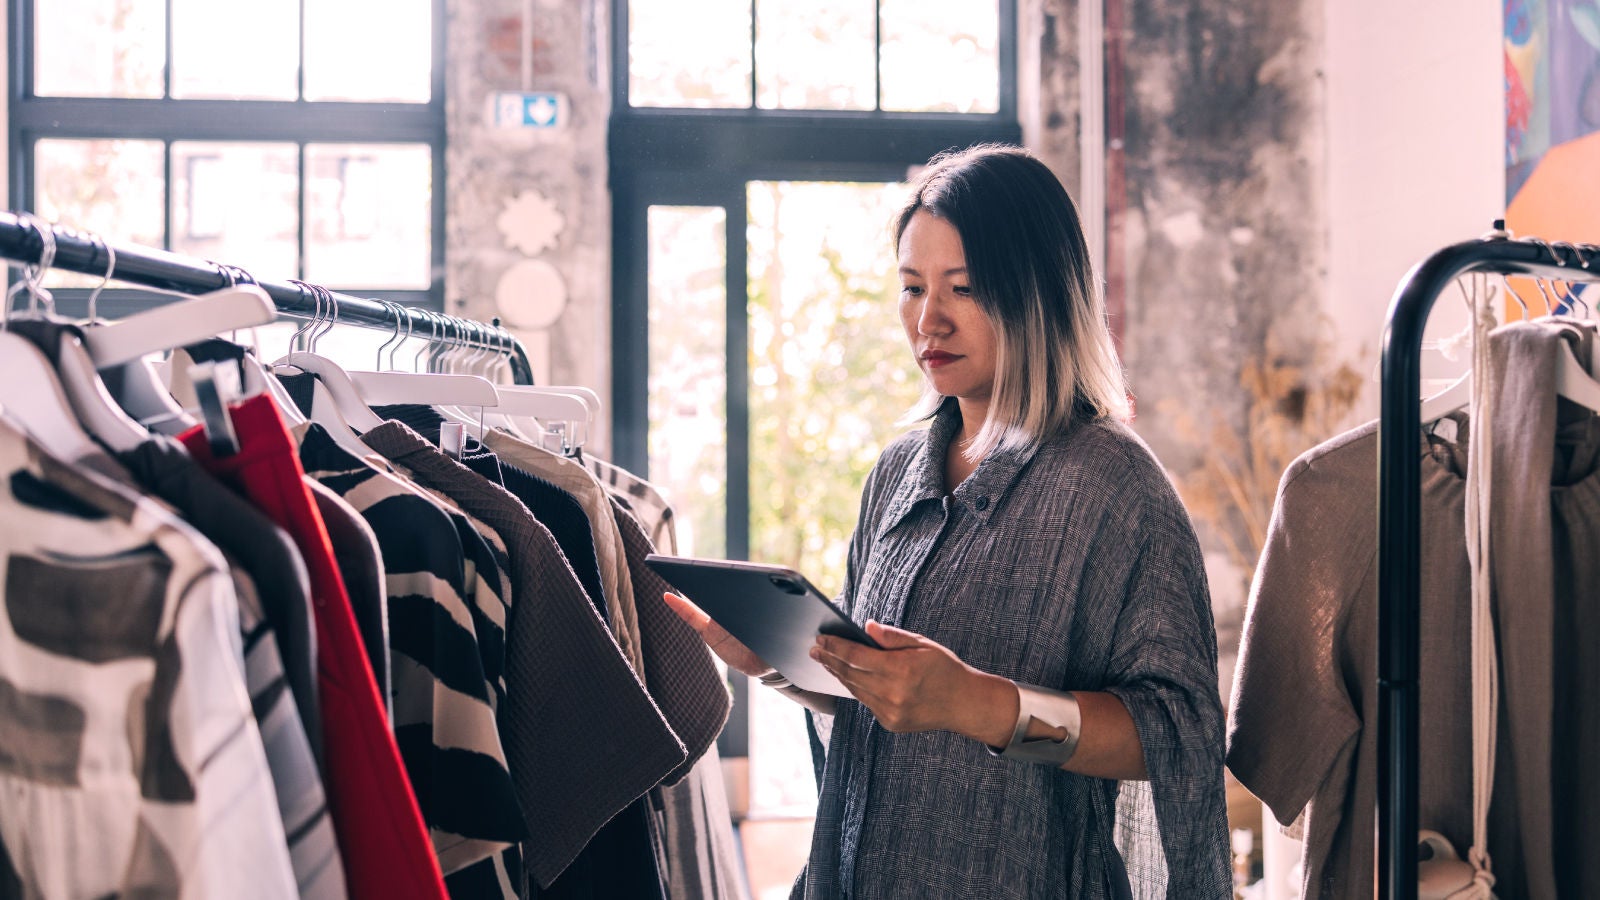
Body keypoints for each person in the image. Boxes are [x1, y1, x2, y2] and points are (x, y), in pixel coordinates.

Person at [664, 144, 1230, 899]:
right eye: (910, 288)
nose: (928, 319)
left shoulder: (1115, 487)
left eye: (963, 288)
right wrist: (782, 660)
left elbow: (1177, 733)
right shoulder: (896, 473)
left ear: (1038, 295)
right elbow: (878, 702)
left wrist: (978, 704)